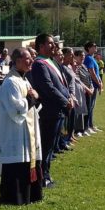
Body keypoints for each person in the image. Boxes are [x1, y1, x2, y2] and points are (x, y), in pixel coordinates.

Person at [0, 47, 43, 205]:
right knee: (17, 161)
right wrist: (32, 99)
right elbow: (15, 111)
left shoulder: (23, 79)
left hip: (25, 129)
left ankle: (30, 194)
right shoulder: (10, 82)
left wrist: (34, 98)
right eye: (28, 58)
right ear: (17, 61)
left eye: (31, 58)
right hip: (14, 131)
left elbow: (31, 97)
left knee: (28, 159)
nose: (31, 61)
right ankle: (15, 197)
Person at [29, 33, 71, 188]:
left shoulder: (52, 61)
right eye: (50, 43)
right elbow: (48, 87)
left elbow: (62, 83)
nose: (54, 45)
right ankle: (42, 177)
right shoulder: (39, 64)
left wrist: (69, 96)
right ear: (41, 46)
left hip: (58, 109)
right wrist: (65, 101)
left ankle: (46, 175)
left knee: (51, 146)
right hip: (49, 111)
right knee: (46, 146)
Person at [83, 42, 101, 134]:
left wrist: (100, 82)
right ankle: (88, 126)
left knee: (92, 106)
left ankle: (91, 125)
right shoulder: (89, 58)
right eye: (94, 46)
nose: (95, 47)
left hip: (94, 85)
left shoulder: (92, 58)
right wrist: (98, 83)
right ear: (88, 48)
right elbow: (92, 72)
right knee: (90, 106)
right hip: (91, 86)